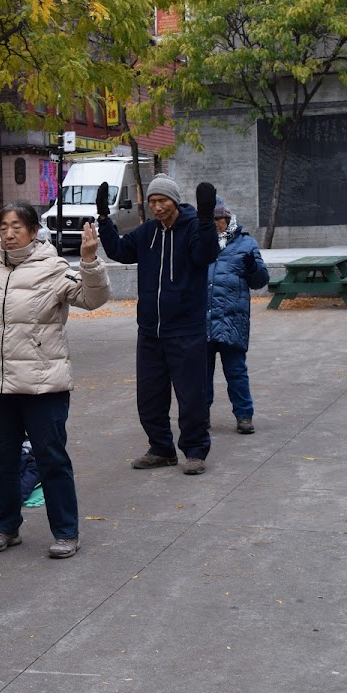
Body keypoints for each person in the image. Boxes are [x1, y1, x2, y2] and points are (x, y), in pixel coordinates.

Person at [0, 203, 110, 559]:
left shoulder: (53, 268)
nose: (9, 233)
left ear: (33, 231)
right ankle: (6, 526)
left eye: (17, 226)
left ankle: (66, 531)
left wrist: (90, 261)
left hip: (43, 384)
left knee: (51, 458)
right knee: (0, 459)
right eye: (3, 227)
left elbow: (92, 298)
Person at [97, 175, 220, 475]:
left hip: (186, 330)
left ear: (175, 202)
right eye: (152, 201)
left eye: (162, 200)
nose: (157, 206)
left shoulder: (192, 227)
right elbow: (119, 251)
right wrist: (104, 218)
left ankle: (195, 451)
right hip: (151, 331)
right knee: (149, 396)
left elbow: (206, 254)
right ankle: (162, 448)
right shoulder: (147, 232)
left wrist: (205, 218)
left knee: (191, 396)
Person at [206, 199, 269, 435]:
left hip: (233, 320)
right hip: (202, 320)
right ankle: (201, 416)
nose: (214, 225)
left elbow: (261, 281)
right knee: (200, 375)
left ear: (228, 219)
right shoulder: (200, 244)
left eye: (218, 220)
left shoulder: (246, 244)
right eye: (210, 220)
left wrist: (253, 266)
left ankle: (244, 416)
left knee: (236, 372)